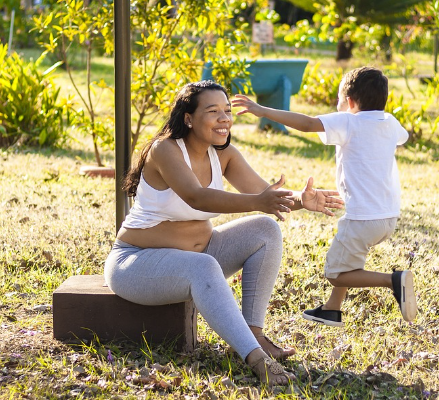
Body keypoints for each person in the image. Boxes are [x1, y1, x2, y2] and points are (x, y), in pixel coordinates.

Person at [104, 80, 344, 386]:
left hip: (200, 253)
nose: (224, 119)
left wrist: (301, 200)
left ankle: (253, 333)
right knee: (203, 265)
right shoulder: (164, 150)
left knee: (266, 229)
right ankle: (256, 359)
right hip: (136, 263)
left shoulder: (224, 154)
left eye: (228, 111)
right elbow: (197, 197)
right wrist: (259, 202)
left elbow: (263, 193)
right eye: (213, 111)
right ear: (188, 118)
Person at [232, 66, 418, 327]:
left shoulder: (348, 121)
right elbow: (403, 138)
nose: (337, 105)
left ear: (350, 102)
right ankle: (332, 309)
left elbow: (307, 123)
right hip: (388, 217)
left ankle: (393, 280)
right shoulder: (390, 122)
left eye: (339, 100)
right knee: (349, 261)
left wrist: (263, 111)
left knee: (337, 273)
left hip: (362, 220)